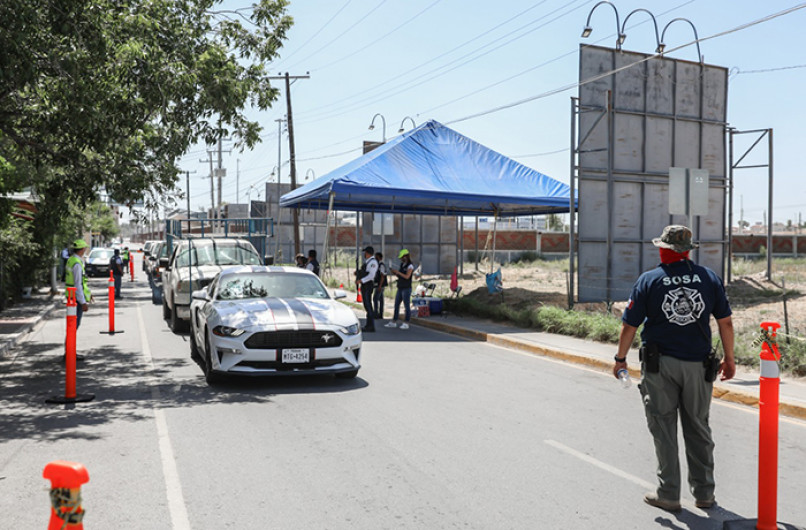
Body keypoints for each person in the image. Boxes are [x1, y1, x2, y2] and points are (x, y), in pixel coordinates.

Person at [613, 225, 735, 512]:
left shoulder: (650, 280)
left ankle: (668, 493)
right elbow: (725, 322)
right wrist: (729, 359)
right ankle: (704, 493)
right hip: (699, 366)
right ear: (688, 250)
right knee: (699, 428)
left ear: (663, 249)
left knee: (664, 428)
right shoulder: (709, 278)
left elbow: (630, 325)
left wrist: (620, 360)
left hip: (660, 367)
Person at [65, 239, 92, 329]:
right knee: (74, 323)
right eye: (84, 248)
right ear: (82, 249)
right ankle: (69, 343)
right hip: (75, 298)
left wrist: (88, 294)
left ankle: (69, 343)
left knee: (73, 323)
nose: (85, 250)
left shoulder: (72, 259)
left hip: (71, 296)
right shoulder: (77, 263)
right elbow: (78, 284)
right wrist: (83, 302)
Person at [385, 249, 415, 330]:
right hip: (400, 287)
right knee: (396, 305)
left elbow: (407, 277)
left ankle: (406, 322)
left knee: (406, 306)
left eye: (402, 257)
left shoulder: (410, 266)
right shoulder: (402, 265)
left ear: (406, 256)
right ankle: (394, 321)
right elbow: (401, 276)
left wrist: (398, 272)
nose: (401, 259)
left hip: (406, 288)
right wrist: (395, 273)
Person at [355, 246, 378, 332]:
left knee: (368, 306)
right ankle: (368, 325)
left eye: (365, 253)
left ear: (368, 253)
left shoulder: (373, 262)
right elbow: (364, 272)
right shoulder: (368, 262)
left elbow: (371, 275)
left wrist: (361, 280)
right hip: (365, 285)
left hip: (368, 285)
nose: (364, 254)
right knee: (366, 305)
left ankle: (371, 326)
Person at [372, 252, 387, 319]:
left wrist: (380, 286)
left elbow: (382, 276)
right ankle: (380, 314)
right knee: (380, 299)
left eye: (377, 257)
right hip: (378, 285)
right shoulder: (378, 265)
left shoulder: (381, 265)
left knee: (375, 299)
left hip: (380, 285)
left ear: (380, 258)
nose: (375, 258)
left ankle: (376, 313)